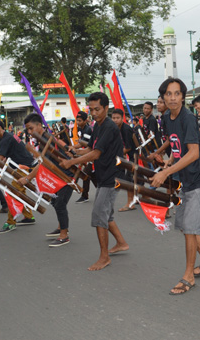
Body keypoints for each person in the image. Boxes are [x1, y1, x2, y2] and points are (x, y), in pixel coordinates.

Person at [150, 78, 200, 295]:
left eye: (176, 93)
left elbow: (195, 152)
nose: (172, 98)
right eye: (168, 94)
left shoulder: (188, 118)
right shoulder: (168, 118)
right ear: (163, 97)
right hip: (187, 180)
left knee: (190, 228)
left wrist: (165, 172)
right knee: (186, 225)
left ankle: (188, 276)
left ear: (183, 96)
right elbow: (175, 141)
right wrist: (168, 159)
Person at [62, 92, 129, 271]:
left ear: (106, 109)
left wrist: (72, 162)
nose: (94, 113)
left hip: (112, 176)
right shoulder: (97, 126)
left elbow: (96, 154)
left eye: (97, 109)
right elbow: (91, 148)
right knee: (106, 213)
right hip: (104, 174)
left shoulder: (109, 126)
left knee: (99, 214)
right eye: (91, 109)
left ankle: (104, 257)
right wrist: (75, 153)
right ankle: (121, 243)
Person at [22, 113, 74, 247]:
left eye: (31, 128)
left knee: (60, 204)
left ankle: (64, 235)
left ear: (39, 125)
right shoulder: (43, 139)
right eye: (27, 129)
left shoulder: (47, 139)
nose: (29, 132)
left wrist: (28, 178)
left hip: (66, 175)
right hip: (57, 175)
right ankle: (61, 227)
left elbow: (42, 164)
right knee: (56, 201)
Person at [0, 119, 39, 233]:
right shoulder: (7, 137)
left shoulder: (6, 138)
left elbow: (0, 158)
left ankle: (11, 222)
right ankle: (29, 216)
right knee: (20, 193)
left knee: (13, 192)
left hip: (23, 168)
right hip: (23, 166)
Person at [111, 109, 136, 212]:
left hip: (133, 157)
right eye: (113, 118)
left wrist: (116, 154)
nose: (115, 120)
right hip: (127, 157)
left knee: (128, 180)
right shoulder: (116, 128)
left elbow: (129, 147)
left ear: (122, 118)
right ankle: (136, 199)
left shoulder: (126, 129)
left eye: (118, 118)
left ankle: (130, 204)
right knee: (135, 180)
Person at [72, 111, 93, 204]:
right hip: (87, 155)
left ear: (85, 121)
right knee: (90, 175)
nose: (78, 122)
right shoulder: (82, 129)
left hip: (92, 155)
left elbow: (83, 144)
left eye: (80, 120)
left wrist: (72, 147)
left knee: (85, 174)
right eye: (77, 120)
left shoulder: (88, 129)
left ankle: (85, 196)